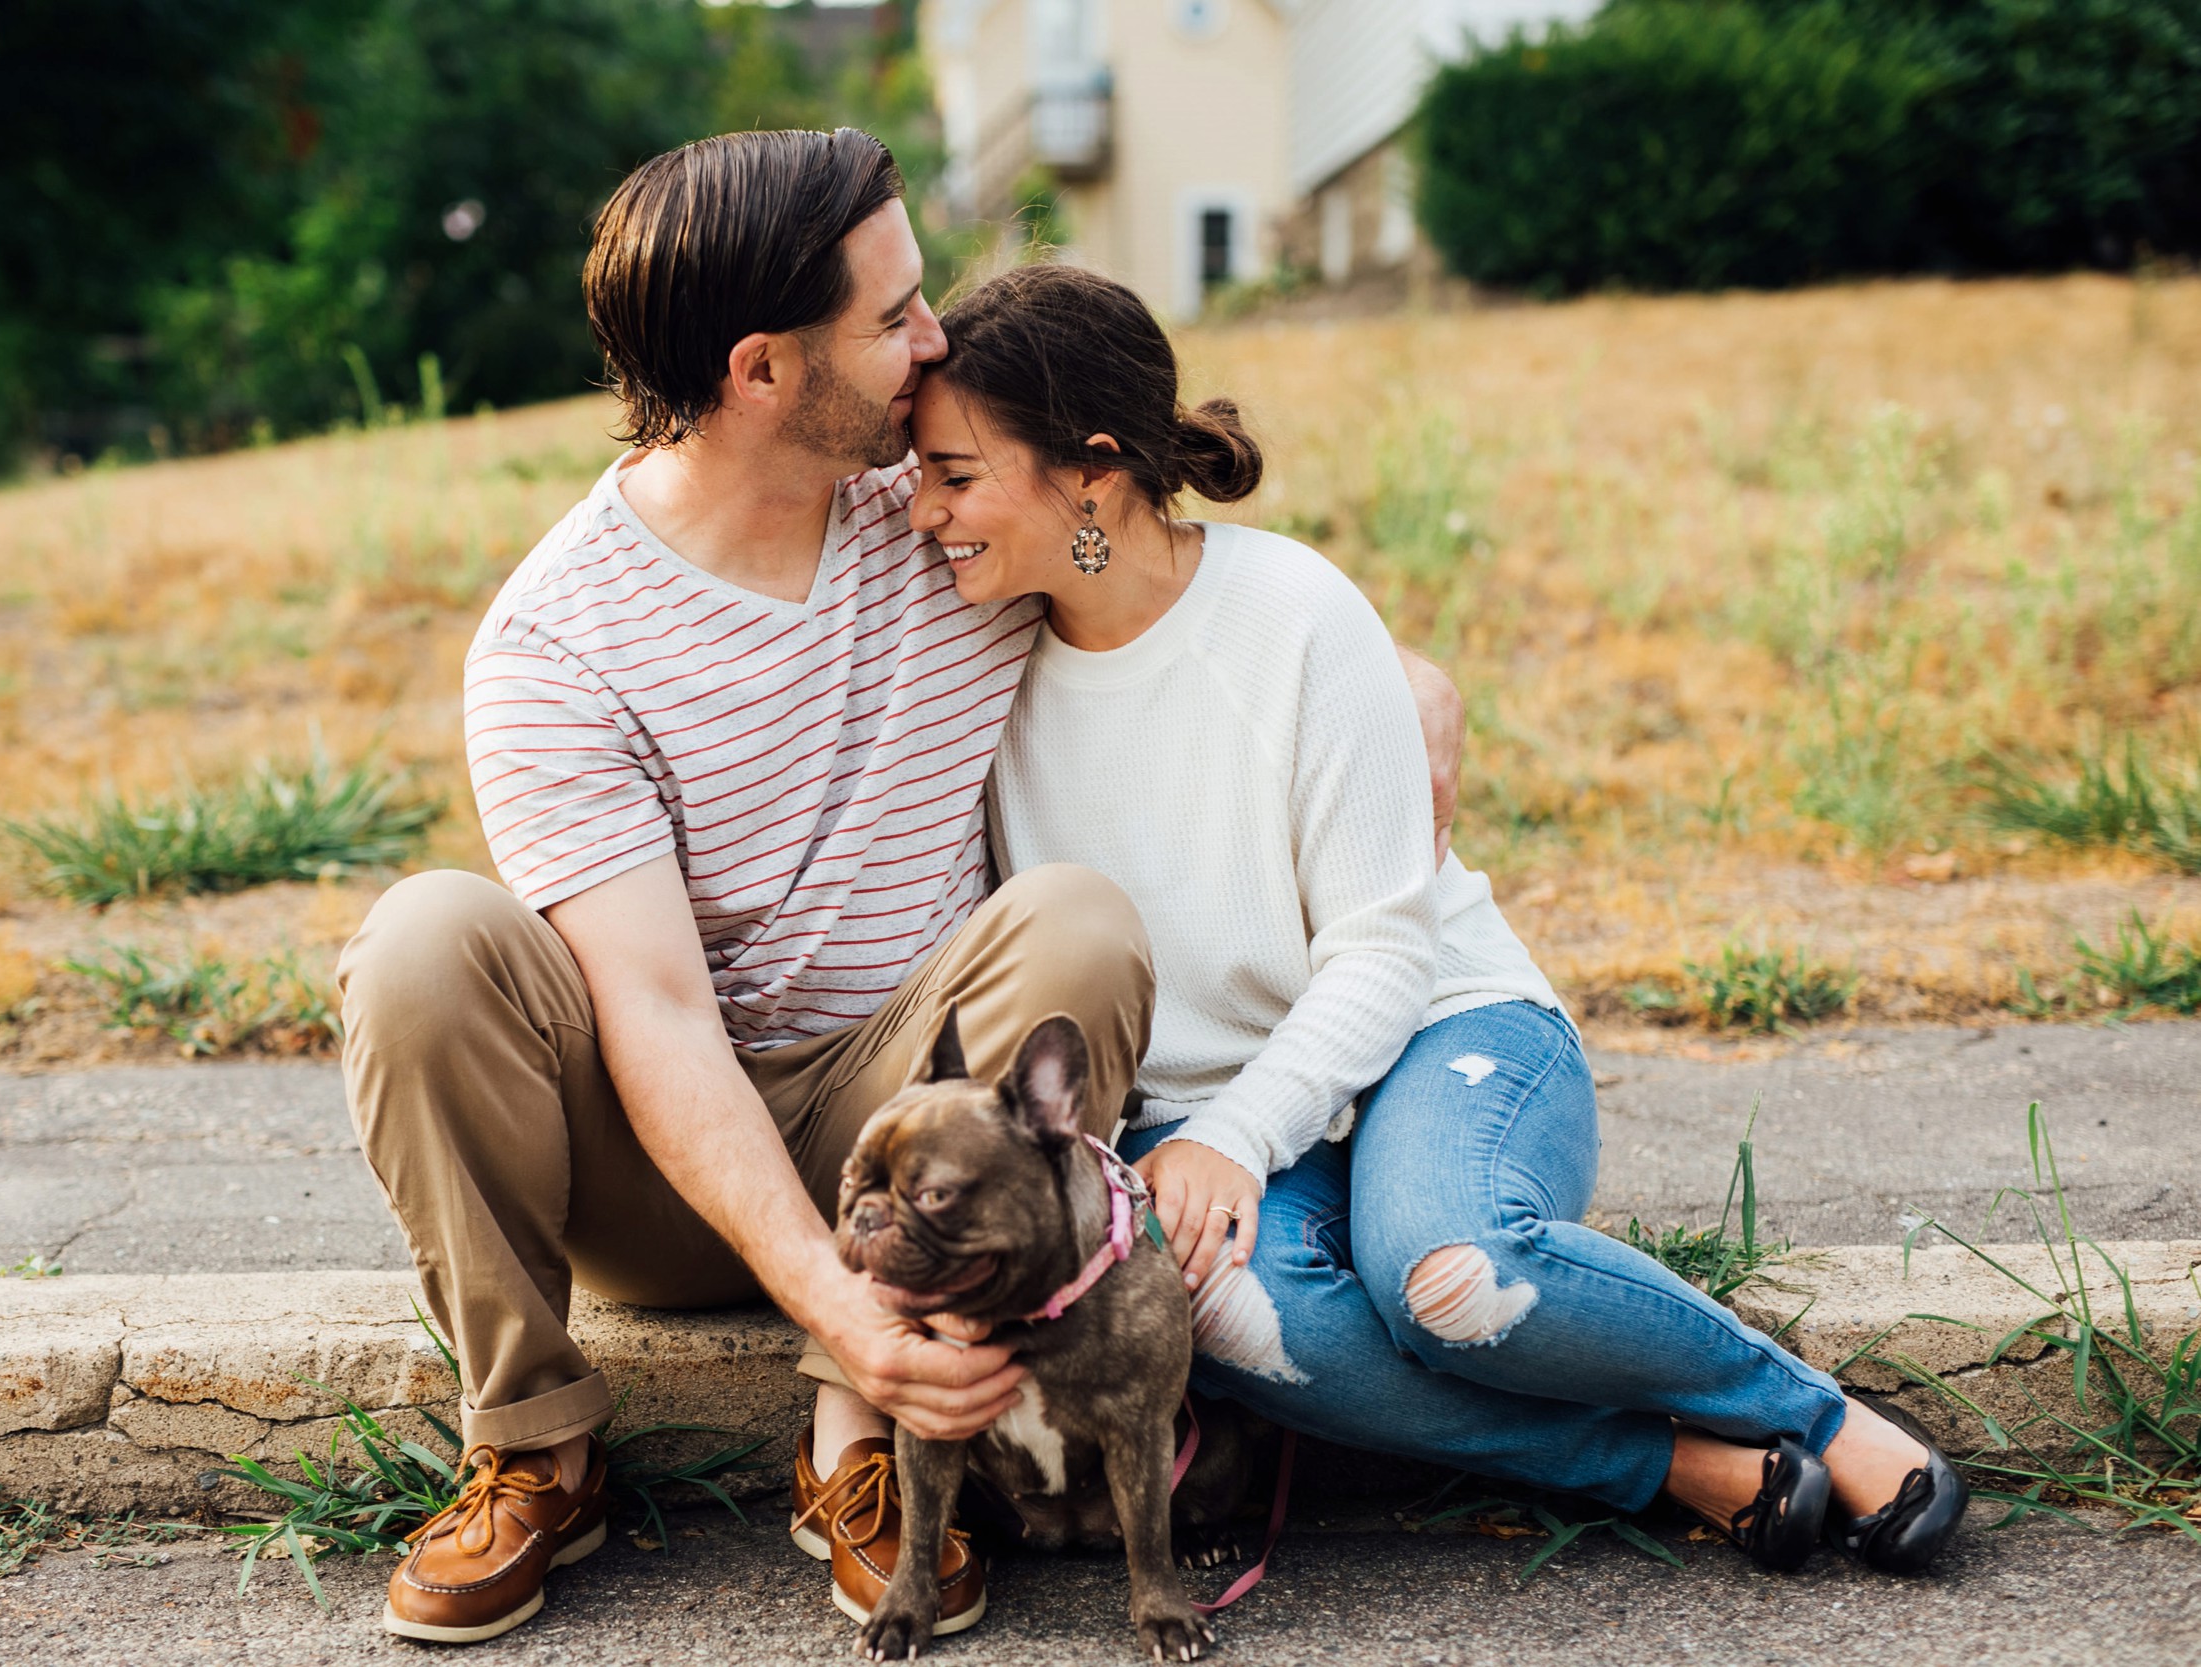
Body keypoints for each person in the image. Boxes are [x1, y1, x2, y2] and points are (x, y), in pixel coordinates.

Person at [335, 129, 1470, 1644]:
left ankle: (860, 1450)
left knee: (1070, 916)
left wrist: (1400, 685)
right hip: (659, 1161)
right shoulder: (556, 646)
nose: (935, 341)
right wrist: (833, 1293)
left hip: (922, 1124)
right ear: (759, 371)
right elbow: (659, 1020)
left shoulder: (934, 518)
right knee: (423, 942)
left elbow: (1165, 573)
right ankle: (533, 1451)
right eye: (893, 317)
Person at [909, 261, 1968, 1579]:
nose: (923, 508)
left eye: (955, 474)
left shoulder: (1293, 614)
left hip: (1434, 1027)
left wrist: (1243, 1139)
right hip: (1198, 1114)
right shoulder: (981, 668)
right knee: (1223, 1314)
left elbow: (1382, 951)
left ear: (1094, 470)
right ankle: (1679, 1468)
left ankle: (1818, 1419)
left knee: (1450, 1274)